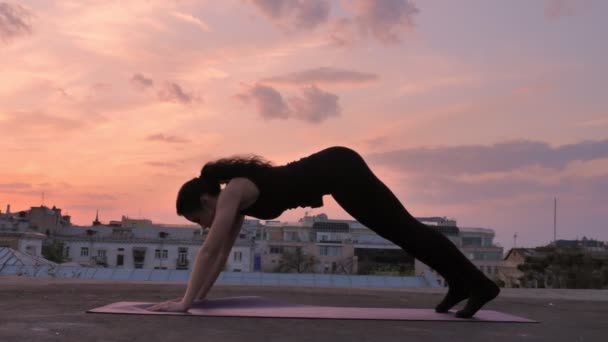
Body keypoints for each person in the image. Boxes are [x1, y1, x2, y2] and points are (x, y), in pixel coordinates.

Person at [147, 146, 499, 317]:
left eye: (197, 220)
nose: (202, 227)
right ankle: (460, 283)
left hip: (339, 168)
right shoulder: (236, 203)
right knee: (401, 233)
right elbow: (221, 253)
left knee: (404, 229)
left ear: (207, 202)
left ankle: (478, 285)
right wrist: (198, 300)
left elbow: (209, 249)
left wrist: (183, 303)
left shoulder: (234, 190)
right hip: (337, 173)